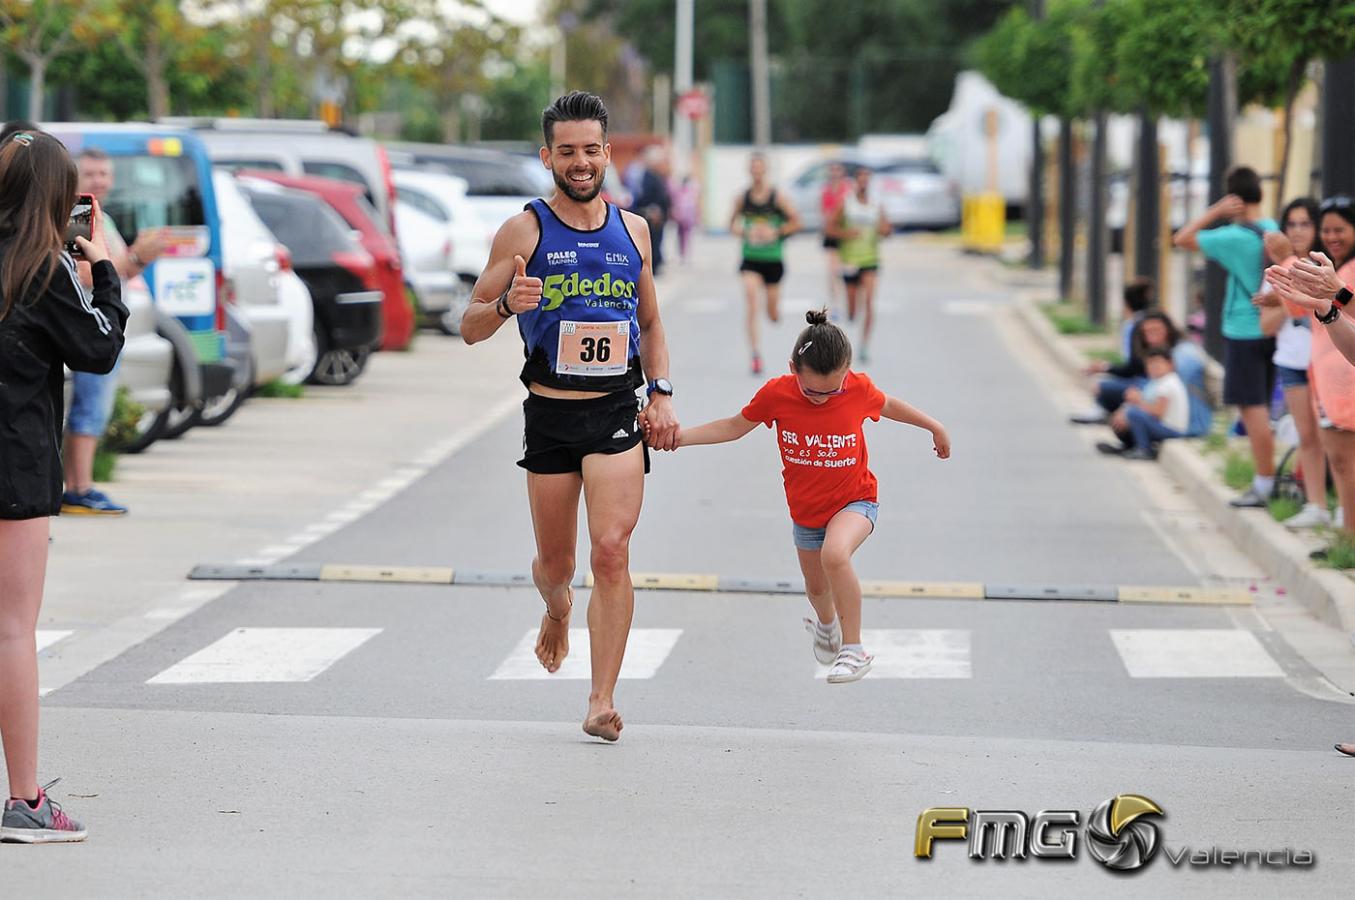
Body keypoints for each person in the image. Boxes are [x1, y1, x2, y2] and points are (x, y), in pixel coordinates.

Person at [459, 92, 679, 742]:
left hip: (615, 411)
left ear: (607, 154)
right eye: (567, 151)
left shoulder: (632, 229)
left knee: (610, 552)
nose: (580, 163)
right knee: (555, 567)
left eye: (591, 150)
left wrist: (660, 392)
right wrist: (504, 306)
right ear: (546, 155)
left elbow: (650, 321)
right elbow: (468, 325)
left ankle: (600, 699)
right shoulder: (524, 230)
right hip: (549, 417)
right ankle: (555, 609)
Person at [676, 309, 950, 683]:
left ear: (847, 371)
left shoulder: (858, 389)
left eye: (831, 391)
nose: (821, 399)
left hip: (856, 501)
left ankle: (854, 649)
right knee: (817, 588)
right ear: (793, 369)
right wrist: (680, 437)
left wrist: (933, 427)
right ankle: (827, 626)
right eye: (811, 391)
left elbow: (889, 406)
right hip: (806, 512)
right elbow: (733, 427)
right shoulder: (777, 395)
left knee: (835, 555)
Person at [0, 130, 127, 843]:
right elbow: (99, 349)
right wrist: (101, 268)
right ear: (55, 197)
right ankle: (25, 801)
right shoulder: (42, 272)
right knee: (12, 630)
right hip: (13, 466)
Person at [60, 146, 170, 516]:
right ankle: (79, 487)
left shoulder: (99, 215)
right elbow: (87, 271)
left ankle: (82, 484)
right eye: (91, 174)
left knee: (95, 405)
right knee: (89, 406)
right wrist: (136, 256)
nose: (99, 181)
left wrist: (139, 259)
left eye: (105, 174)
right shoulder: (79, 210)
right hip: (89, 322)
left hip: (105, 319)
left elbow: (115, 270)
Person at [1173, 166, 1279, 508]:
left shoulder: (1234, 237)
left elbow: (1182, 238)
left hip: (1243, 330)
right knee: (1262, 404)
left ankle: (1264, 482)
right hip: (1271, 328)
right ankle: (1266, 478)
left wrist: (1215, 212)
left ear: (1233, 197)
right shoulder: (1272, 229)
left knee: (1253, 408)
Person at [1264, 197, 1355, 546]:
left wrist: (1333, 296)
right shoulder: (1333, 269)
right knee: (1339, 461)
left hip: (1342, 383)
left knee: (1346, 464)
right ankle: (1346, 538)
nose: (1332, 236)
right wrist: (1325, 307)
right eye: (1327, 229)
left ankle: (1348, 539)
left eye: (1340, 229)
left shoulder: (1341, 272)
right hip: (1329, 378)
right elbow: (1292, 310)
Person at [1253, 200, 1330, 529]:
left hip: (1326, 364)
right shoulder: (1276, 272)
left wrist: (1291, 296)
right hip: (1292, 362)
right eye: (1292, 224)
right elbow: (1265, 325)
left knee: (1334, 437)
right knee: (1307, 436)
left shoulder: (1325, 268)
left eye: (1305, 223)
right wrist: (1289, 298)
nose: (1297, 231)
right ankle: (1316, 504)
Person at [731, 153, 800, 374]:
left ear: (766, 171)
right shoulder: (743, 198)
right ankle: (755, 354)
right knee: (751, 303)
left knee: (771, 313)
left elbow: (796, 222)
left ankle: (773, 309)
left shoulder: (777, 198)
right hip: (750, 259)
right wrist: (745, 232)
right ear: (750, 171)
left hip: (773, 260)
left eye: (761, 169)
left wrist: (775, 232)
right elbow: (731, 224)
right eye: (754, 169)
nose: (757, 173)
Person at [1070, 277, 1159, 424]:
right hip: (1151, 379)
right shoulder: (1148, 320)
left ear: (1126, 304)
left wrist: (1105, 367)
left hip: (1146, 383)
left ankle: (1102, 411)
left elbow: (1133, 367)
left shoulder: (1134, 326)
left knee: (1102, 384)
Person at [826, 166, 890, 363]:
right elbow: (829, 228)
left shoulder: (876, 204)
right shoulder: (846, 204)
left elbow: (887, 229)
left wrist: (883, 230)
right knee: (853, 310)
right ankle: (853, 320)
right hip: (850, 260)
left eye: (867, 179)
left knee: (870, 302)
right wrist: (847, 234)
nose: (864, 183)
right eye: (860, 179)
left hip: (870, 259)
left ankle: (864, 345)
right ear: (855, 182)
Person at [1104, 348, 1190, 460]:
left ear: (1170, 364)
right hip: (1158, 425)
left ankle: (1144, 449)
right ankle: (1130, 446)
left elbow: (1158, 412)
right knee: (1126, 414)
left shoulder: (1169, 383)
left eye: (1158, 363)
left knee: (1134, 413)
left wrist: (1137, 401)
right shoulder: (1156, 382)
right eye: (1150, 364)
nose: (1154, 367)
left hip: (1172, 430)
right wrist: (1122, 412)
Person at [630, 145, 671, 276]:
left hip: (659, 214)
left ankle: (657, 263)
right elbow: (644, 196)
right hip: (651, 214)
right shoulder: (647, 175)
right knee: (652, 241)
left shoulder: (657, 176)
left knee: (657, 240)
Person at [820, 162, 851, 314]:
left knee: (847, 269)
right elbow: (825, 213)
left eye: (837, 171)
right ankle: (835, 304)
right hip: (832, 233)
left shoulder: (848, 190)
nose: (835, 174)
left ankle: (848, 301)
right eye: (832, 171)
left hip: (845, 234)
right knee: (832, 271)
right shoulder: (826, 191)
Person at [669, 173, 698, 265]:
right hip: (682, 217)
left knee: (685, 237)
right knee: (682, 237)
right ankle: (682, 254)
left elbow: (694, 206)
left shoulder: (690, 192)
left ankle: (684, 255)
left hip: (687, 218)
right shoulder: (680, 192)